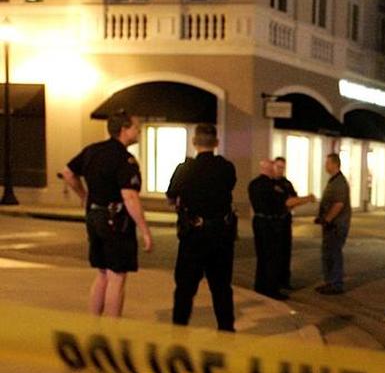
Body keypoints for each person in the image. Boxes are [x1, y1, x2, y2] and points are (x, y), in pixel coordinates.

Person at [59, 110, 153, 318]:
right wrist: (145, 230)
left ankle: (94, 324)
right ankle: (112, 331)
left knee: (102, 273)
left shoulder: (92, 150)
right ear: (123, 130)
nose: (138, 131)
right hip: (116, 220)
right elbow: (130, 197)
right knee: (117, 277)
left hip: (94, 216)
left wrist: (83, 195)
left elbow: (67, 172)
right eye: (135, 127)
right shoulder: (125, 159)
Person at [166, 124, 238, 332]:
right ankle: (226, 332)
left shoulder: (184, 168)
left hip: (193, 235)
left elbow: (171, 197)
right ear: (216, 143)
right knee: (222, 288)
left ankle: (179, 332)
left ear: (194, 143)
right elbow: (229, 186)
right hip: (221, 235)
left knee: (185, 288)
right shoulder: (226, 167)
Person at [249, 159, 313, 299]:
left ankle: (260, 286)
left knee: (262, 257)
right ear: (269, 169)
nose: (276, 171)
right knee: (272, 257)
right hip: (271, 224)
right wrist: (308, 198)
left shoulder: (253, 184)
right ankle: (271, 289)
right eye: (274, 168)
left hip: (259, 222)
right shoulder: (271, 186)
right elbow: (287, 201)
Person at [314, 153, 351, 295]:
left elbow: (339, 204)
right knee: (328, 253)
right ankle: (330, 282)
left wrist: (327, 219)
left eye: (327, 163)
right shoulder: (333, 181)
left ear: (335, 164)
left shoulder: (339, 182)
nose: (325, 165)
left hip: (336, 226)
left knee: (333, 253)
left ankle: (335, 283)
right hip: (332, 224)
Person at [272, 157, 304, 290]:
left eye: (282, 167)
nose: (280, 170)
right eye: (278, 167)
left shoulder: (286, 184)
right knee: (275, 253)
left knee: (286, 252)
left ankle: (285, 280)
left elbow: (293, 199)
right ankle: (275, 280)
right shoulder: (269, 183)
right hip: (274, 223)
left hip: (285, 222)